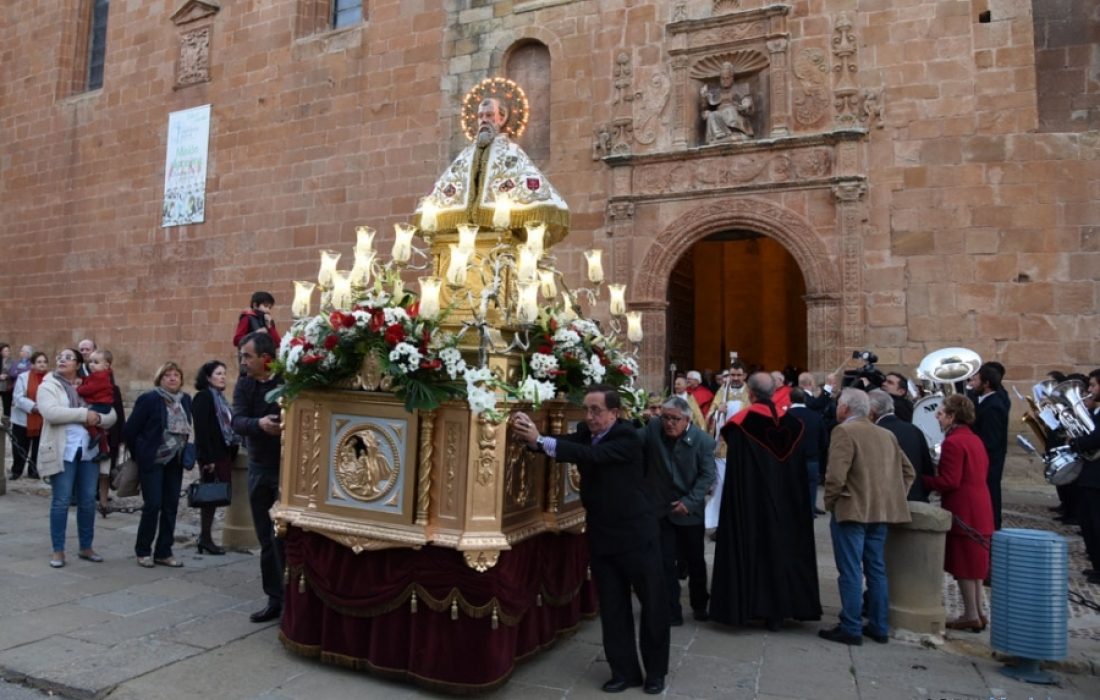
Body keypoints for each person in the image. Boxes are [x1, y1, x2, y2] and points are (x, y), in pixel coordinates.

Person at [512, 385, 669, 695]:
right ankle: (624, 672)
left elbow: (590, 455)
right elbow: (568, 444)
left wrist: (539, 440)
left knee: (652, 606)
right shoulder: (586, 431)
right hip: (602, 535)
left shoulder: (628, 437)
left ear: (615, 413)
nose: (589, 416)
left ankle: (655, 672)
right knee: (612, 607)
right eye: (586, 409)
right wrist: (531, 436)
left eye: (596, 410)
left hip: (637, 536)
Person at [710, 372, 821, 631]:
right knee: (783, 549)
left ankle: (748, 607)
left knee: (753, 551)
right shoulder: (794, 425)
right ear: (774, 392)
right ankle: (780, 611)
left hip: (751, 504)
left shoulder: (740, 424)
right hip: (787, 506)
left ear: (750, 394)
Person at [820, 388, 914, 646]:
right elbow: (908, 472)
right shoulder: (886, 434)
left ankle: (851, 626)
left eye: (839, 404)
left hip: (852, 510)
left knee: (850, 570)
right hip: (879, 511)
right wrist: (892, 496)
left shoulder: (844, 432)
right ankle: (879, 625)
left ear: (847, 408)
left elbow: (836, 476)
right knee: (876, 569)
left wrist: (831, 502)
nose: (837, 407)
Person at [640, 396, 716, 625]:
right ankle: (672, 610)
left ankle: (700, 604)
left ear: (687, 419)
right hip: (662, 509)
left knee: (694, 561)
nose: (669, 423)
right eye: (666, 418)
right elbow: (633, 441)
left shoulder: (703, 441)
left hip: (688, 512)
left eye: (675, 419)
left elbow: (707, 476)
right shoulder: (654, 428)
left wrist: (690, 502)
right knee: (665, 562)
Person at [37, 348, 117, 568]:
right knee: (61, 501)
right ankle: (58, 550)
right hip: (63, 450)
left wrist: (98, 417)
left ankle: (86, 546)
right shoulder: (49, 385)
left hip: (88, 451)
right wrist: (85, 415)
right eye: (59, 357)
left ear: (78, 363)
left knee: (87, 502)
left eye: (68, 357)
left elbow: (111, 415)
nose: (62, 359)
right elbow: (51, 412)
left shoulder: (93, 383)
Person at [923, 394, 994, 630]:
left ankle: (971, 614)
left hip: (964, 507)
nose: (937, 416)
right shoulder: (974, 439)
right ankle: (978, 612)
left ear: (953, 416)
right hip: (980, 506)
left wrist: (925, 481)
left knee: (965, 565)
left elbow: (949, 481)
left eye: (941, 413)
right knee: (974, 566)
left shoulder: (953, 442)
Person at [232, 332, 286, 623]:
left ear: (266, 359)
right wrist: (259, 424)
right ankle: (274, 599)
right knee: (265, 538)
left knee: (285, 539)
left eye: (247, 356)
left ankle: (292, 601)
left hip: (285, 470)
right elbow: (237, 420)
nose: (243, 361)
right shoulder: (244, 384)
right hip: (257, 467)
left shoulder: (286, 382)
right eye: (243, 356)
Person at [124, 361, 192, 568]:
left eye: (176, 375)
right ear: (160, 379)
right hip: (153, 460)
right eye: (167, 375)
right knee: (153, 505)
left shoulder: (186, 400)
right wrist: (141, 454)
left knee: (171, 506)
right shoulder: (150, 399)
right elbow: (130, 430)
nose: (172, 378)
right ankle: (143, 550)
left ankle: (164, 551)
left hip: (175, 460)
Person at [192, 360, 240, 554]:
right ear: (208, 377)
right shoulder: (203, 397)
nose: (222, 377)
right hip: (211, 455)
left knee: (215, 496)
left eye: (224, 373)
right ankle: (205, 538)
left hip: (223, 452)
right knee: (209, 496)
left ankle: (205, 537)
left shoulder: (220, 398)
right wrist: (208, 459)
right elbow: (202, 430)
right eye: (218, 373)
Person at [868, 389, 935, 502]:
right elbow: (928, 469)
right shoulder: (914, 430)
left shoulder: (872, 433)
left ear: (872, 410)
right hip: (916, 499)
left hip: (886, 504)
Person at [968, 364, 1009, 529]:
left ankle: (992, 528)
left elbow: (990, 441)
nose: (972, 383)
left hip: (989, 463)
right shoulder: (986, 402)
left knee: (990, 496)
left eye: (975, 380)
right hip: (986, 461)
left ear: (986, 384)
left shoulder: (993, 406)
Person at [1070, 369, 1100, 584]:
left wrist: (1078, 443)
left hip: (1097, 477)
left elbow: (1094, 439)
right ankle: (1096, 565)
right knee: (1088, 522)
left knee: (1097, 523)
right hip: (1089, 474)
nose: (1089, 390)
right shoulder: (1096, 412)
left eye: (1092, 386)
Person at [788, 387, 828, 516]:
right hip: (812, 458)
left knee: (792, 486)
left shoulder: (785, 416)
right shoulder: (815, 416)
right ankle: (809, 510)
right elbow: (824, 440)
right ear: (805, 399)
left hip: (790, 458)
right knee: (811, 487)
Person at [10, 351, 49, 480]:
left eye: (44, 362)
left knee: (38, 447)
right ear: (32, 364)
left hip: (43, 419)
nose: (42, 364)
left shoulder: (51, 378)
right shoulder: (23, 377)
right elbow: (18, 397)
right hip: (23, 418)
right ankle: (17, 470)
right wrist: (34, 407)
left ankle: (34, 470)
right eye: (39, 362)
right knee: (20, 446)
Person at [699, 61, 754, 143]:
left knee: (729, 110)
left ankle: (735, 132)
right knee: (712, 115)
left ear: (732, 78)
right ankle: (720, 134)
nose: (725, 81)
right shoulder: (716, 92)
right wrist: (703, 97)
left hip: (734, 112)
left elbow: (747, 100)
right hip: (720, 114)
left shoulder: (740, 89)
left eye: (727, 78)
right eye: (722, 78)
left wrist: (745, 105)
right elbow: (706, 107)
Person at [75, 350, 114, 459]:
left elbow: (89, 389)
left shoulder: (100, 376)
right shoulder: (99, 375)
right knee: (99, 427)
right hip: (103, 403)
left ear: (106, 365)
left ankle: (94, 435)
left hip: (100, 403)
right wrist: (83, 380)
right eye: (90, 361)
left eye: (96, 362)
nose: (91, 364)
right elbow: (89, 382)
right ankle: (104, 450)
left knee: (86, 418)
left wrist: (78, 389)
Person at [0, 343, 12, 416]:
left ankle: (6, 419)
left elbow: (14, 372)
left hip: (7, 386)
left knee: (7, 404)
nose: (7, 352)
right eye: (5, 351)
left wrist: (7, 376)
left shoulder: (12, 361)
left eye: (8, 351)